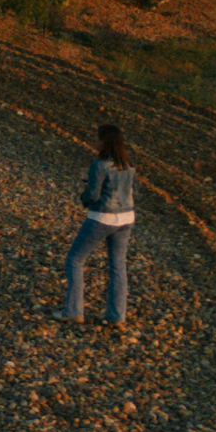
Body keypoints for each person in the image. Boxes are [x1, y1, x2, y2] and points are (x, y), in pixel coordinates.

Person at [66, 123, 139, 335]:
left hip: (102, 217)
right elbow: (135, 192)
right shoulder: (129, 164)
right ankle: (116, 317)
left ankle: (73, 311)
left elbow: (94, 196)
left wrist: (83, 195)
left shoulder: (99, 164)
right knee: (118, 265)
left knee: (75, 259)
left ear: (103, 141)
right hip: (127, 218)